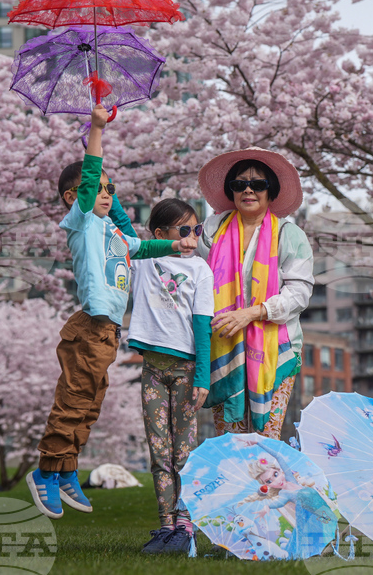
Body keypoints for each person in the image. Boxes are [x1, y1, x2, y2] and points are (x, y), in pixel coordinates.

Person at [27, 105, 198, 521]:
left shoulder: (115, 234)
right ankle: (46, 471)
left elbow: (143, 245)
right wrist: (97, 129)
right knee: (73, 400)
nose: (106, 193)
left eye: (111, 188)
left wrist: (176, 246)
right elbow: (90, 176)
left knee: (91, 403)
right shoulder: (83, 222)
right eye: (100, 189)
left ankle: (67, 469)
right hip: (89, 328)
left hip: (107, 334)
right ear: (76, 198)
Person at [196, 148, 313, 438]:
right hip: (223, 344)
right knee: (231, 441)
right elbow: (195, 279)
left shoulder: (289, 234)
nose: (248, 190)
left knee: (265, 440)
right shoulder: (212, 229)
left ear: (270, 191)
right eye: (239, 184)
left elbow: (300, 292)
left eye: (258, 184)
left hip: (277, 347)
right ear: (231, 191)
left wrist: (252, 313)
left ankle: (266, 486)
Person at [128, 198, 214, 555]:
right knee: (159, 453)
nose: (191, 239)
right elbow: (122, 227)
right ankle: (166, 526)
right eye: (184, 231)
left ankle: (185, 525)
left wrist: (203, 379)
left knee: (185, 455)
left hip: (186, 373)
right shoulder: (145, 261)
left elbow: (203, 327)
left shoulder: (200, 270)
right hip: (152, 372)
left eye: (196, 230)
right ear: (161, 234)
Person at [238, 436, 336, 558]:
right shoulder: (283, 493)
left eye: (275, 474)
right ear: (267, 485)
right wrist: (267, 506)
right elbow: (278, 503)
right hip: (309, 516)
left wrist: (258, 443)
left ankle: (328, 545)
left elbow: (278, 456)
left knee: (326, 527)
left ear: (280, 471)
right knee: (310, 537)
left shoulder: (291, 479)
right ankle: (318, 550)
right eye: (269, 481)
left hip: (321, 509)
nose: (276, 480)